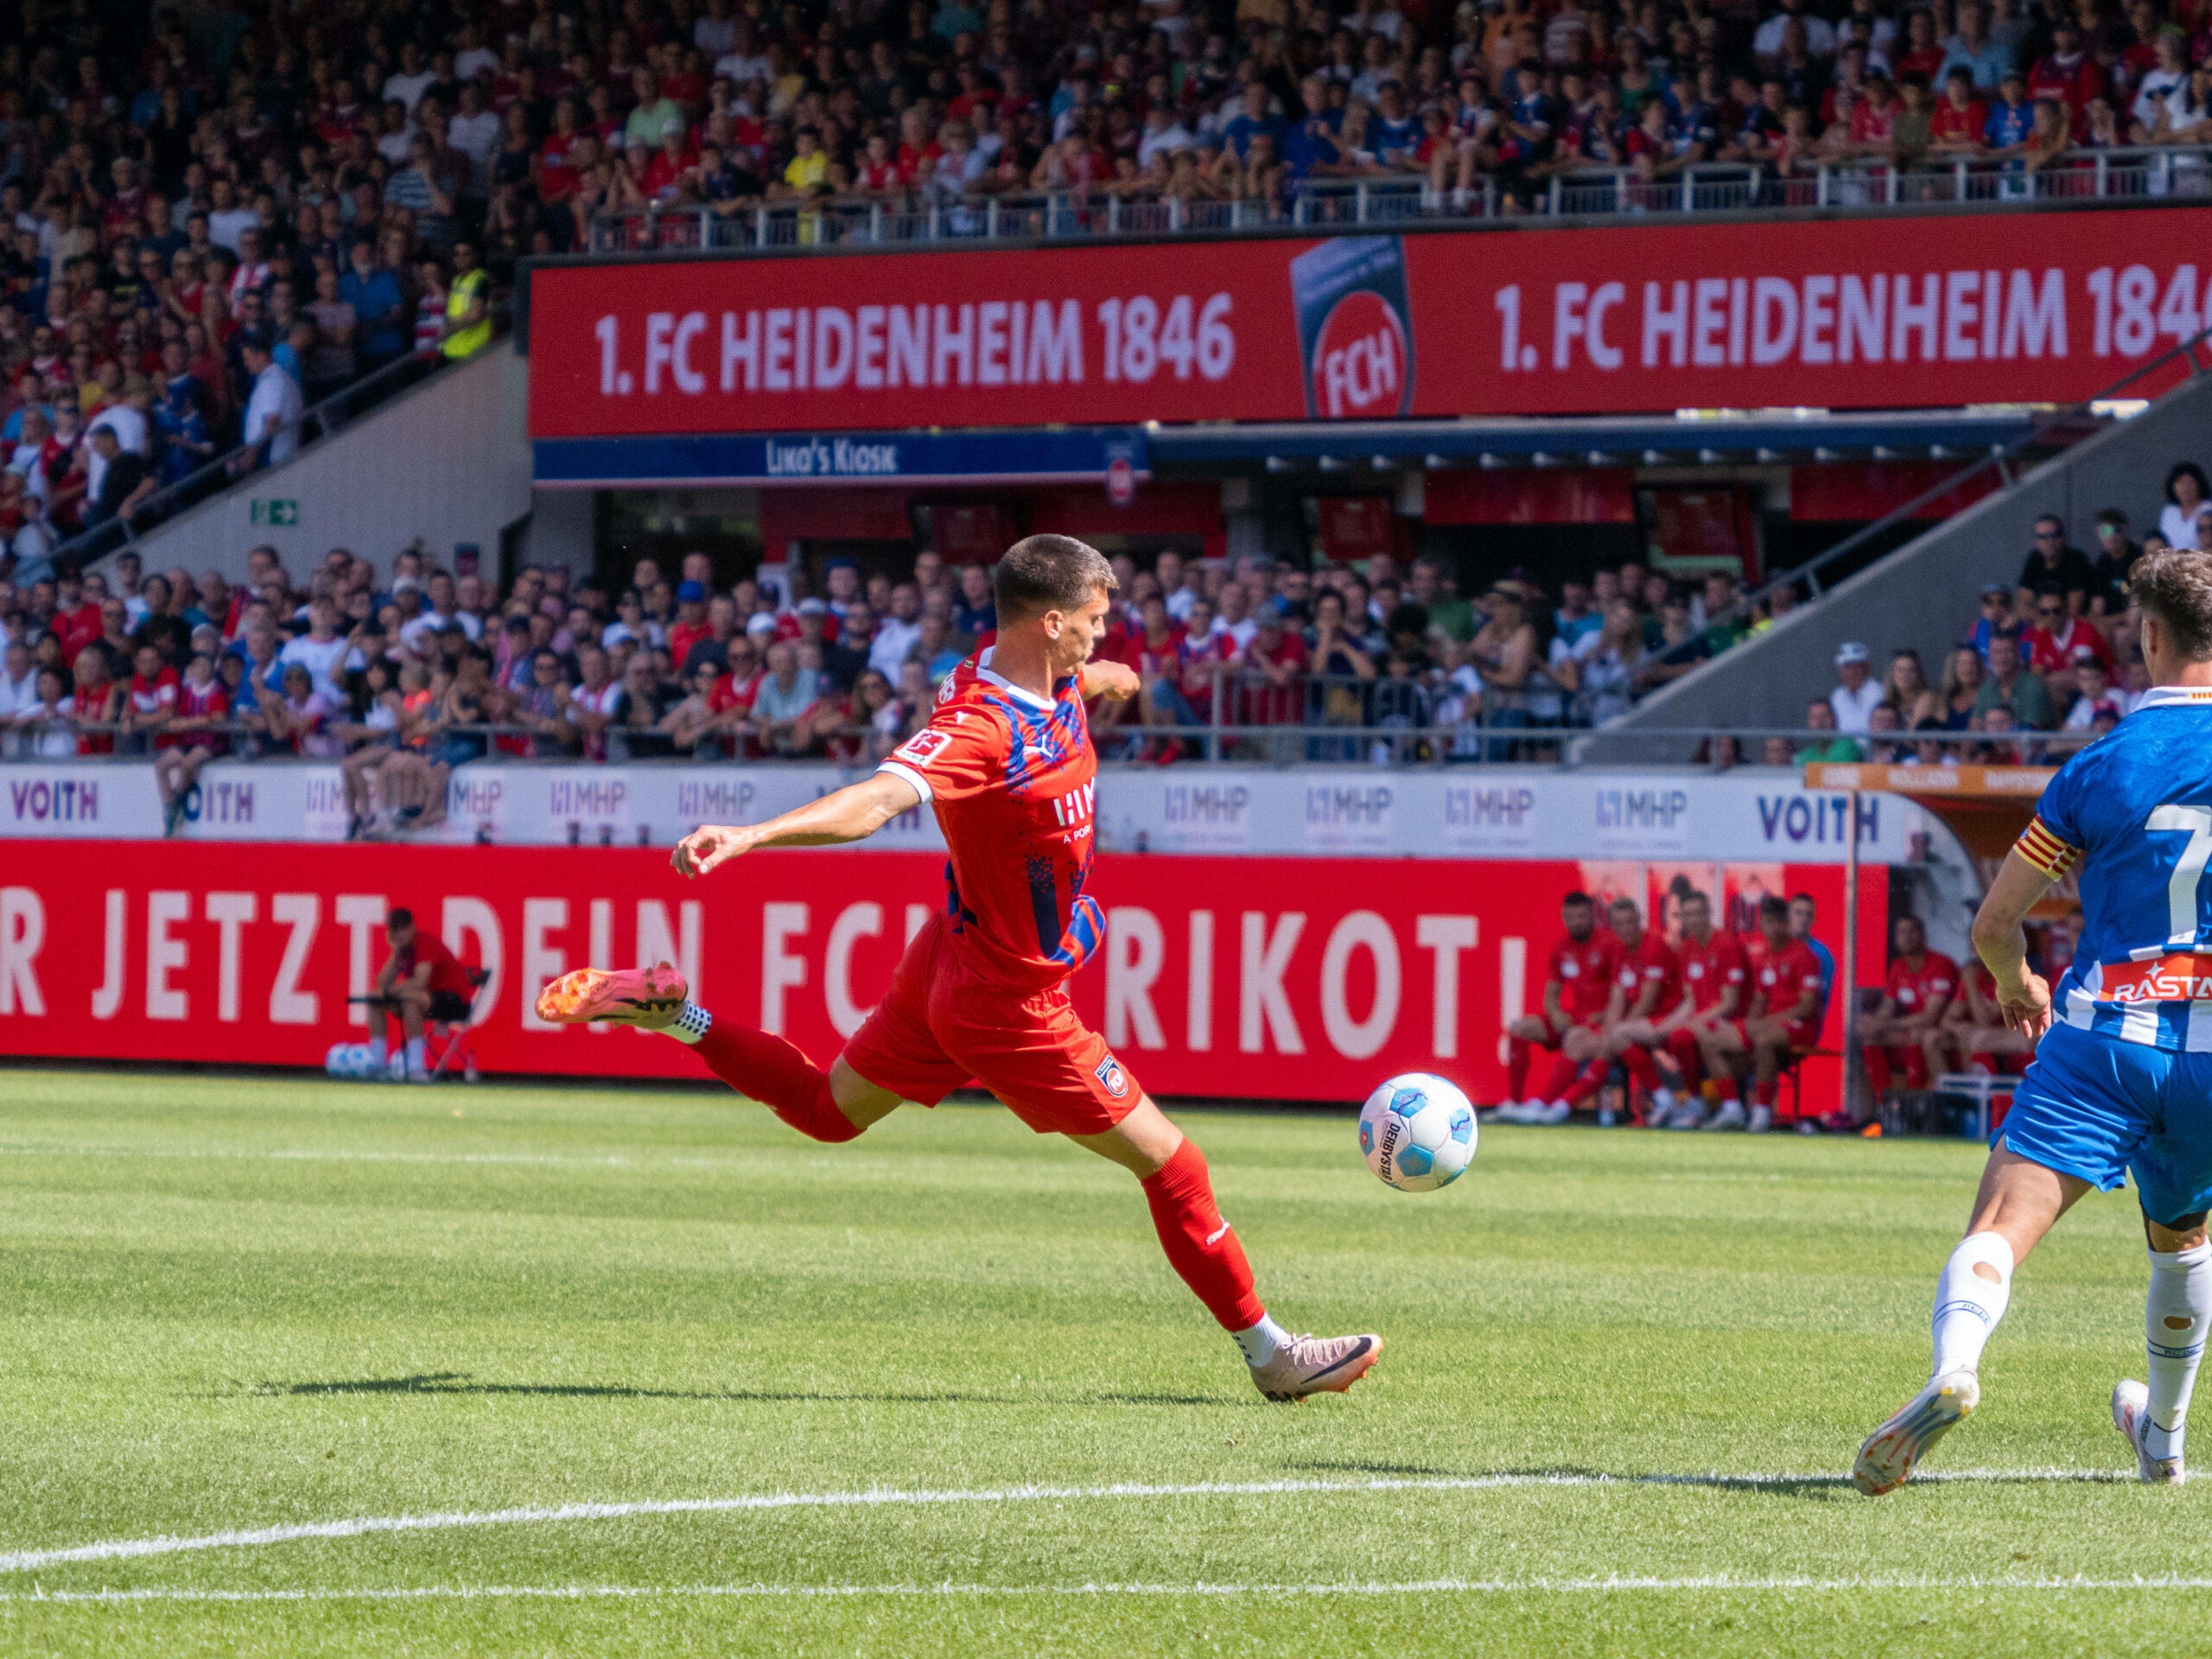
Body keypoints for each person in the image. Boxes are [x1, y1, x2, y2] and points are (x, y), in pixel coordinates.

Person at [532, 535, 1382, 1404]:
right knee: (1176, 1168)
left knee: (828, 1112)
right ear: (1051, 622)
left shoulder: (1033, 675)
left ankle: (675, 1015)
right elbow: (877, 799)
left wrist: (1109, 676)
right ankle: (1271, 1356)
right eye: (1094, 621)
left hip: (952, 958)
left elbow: (1072, 687)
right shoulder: (978, 726)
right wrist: (753, 834)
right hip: (1008, 1001)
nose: (1103, 631)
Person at [1853, 549, 2212, 1495]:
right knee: (2180, 1236)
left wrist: (2016, 982)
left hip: (2106, 1035)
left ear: (2147, 636)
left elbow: (1992, 922)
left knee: (2003, 1219)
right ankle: (2163, 1442)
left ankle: (1953, 1368)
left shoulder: (2100, 765)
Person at [1696, 895, 1825, 1133]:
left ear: (1786, 923)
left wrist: (1763, 1023)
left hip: (1800, 1026)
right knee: (1710, 1043)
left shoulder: (1805, 956)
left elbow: (1807, 1007)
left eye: (1779, 922)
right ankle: (1732, 1109)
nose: (1774, 928)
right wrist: (1746, 1025)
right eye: (1768, 922)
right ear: (1762, 924)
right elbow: (1759, 999)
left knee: (1764, 1040)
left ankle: (1762, 1112)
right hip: (1767, 1025)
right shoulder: (1764, 955)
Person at [1496, 891, 1624, 1126]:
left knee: (1575, 1038)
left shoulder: (1610, 943)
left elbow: (1621, 992)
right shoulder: (1561, 948)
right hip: (1576, 1018)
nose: (1576, 922)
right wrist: (1556, 1015)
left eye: (1582, 916)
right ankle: (1515, 1103)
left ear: (1593, 916)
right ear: (1564, 917)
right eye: (1570, 917)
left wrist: (1607, 1019)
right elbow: (1551, 995)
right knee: (1520, 1028)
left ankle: (1544, 1104)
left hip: (1599, 1022)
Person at [1657, 888, 1751, 1131]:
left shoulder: (1727, 944)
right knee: (1666, 1035)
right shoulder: (1687, 949)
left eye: (1699, 913)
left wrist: (1690, 1023)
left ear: (1709, 913)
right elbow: (1690, 1002)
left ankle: (1714, 1105)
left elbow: (1729, 1004)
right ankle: (1685, 1104)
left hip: (1732, 1021)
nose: (1694, 919)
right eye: (1688, 915)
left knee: (1681, 1036)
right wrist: (1666, 1025)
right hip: (1704, 1020)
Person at [367, 906, 476, 1082]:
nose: (397, 934)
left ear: (411, 927)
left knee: (410, 1001)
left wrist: (391, 991)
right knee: (374, 999)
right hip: (428, 999)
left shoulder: (424, 943)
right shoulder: (402, 950)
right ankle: (378, 1065)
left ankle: (416, 1068)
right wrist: (394, 954)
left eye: (401, 928)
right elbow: (381, 984)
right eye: (393, 929)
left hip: (454, 1001)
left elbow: (419, 982)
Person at [1859, 915, 1960, 1102]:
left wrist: (1889, 1024)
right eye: (1902, 932)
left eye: (1912, 931)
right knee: (1870, 1035)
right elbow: (1888, 1006)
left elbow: (1931, 1016)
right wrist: (1877, 1022)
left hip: (1944, 1033)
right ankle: (1884, 1105)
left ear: (1923, 935)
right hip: (1911, 1029)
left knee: (1917, 1033)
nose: (1907, 936)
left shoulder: (1940, 964)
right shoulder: (1898, 967)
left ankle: (1915, 1102)